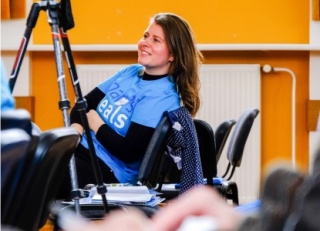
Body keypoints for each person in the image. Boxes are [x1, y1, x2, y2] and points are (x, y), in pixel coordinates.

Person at [58, 12, 204, 198]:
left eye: (156, 40)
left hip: (108, 172)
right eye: (145, 36)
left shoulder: (161, 95)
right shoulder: (131, 71)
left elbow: (127, 151)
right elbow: (82, 105)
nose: (145, 43)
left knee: (41, 174)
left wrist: (94, 122)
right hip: (80, 150)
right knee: (31, 156)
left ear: (172, 55)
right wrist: (74, 136)